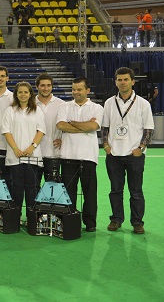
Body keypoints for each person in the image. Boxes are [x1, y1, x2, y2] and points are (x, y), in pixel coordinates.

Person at [102, 67, 154, 234]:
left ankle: (137, 222)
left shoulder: (143, 104)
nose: (122, 82)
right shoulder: (109, 103)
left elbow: (148, 129)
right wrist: (106, 145)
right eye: (119, 79)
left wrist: (141, 148)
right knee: (115, 190)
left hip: (134, 155)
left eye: (126, 79)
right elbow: (105, 127)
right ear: (115, 82)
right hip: (114, 154)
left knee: (136, 191)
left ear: (133, 81)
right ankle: (116, 219)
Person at [56, 77, 104, 232]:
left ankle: (90, 223)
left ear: (87, 90)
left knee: (90, 193)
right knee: (68, 192)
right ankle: (70, 220)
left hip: (88, 156)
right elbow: (61, 125)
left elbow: (93, 126)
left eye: (79, 89)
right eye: (73, 89)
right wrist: (85, 127)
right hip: (68, 156)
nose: (76, 92)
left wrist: (72, 123)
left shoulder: (97, 108)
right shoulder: (64, 106)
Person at [1, 82, 46, 211]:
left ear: (30, 94)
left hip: (33, 157)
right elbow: (6, 131)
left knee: (32, 189)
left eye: (26, 92)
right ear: (16, 94)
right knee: (17, 188)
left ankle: (32, 217)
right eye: (20, 92)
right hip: (15, 157)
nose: (23, 94)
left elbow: (41, 131)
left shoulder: (37, 110)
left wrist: (32, 147)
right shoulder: (10, 110)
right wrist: (16, 149)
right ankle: (16, 217)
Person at [34, 74, 64, 181]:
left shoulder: (61, 104)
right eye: (42, 85)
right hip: (34, 154)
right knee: (33, 187)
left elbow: (67, 126)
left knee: (52, 186)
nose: (46, 88)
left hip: (54, 153)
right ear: (37, 87)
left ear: (52, 86)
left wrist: (64, 139)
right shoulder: (30, 103)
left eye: (48, 85)